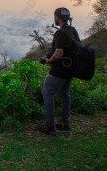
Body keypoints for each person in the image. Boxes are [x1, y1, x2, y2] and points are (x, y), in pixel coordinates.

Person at [34, 7, 80, 135]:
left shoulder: (60, 33)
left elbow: (59, 53)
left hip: (60, 69)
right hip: (71, 69)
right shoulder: (72, 31)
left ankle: (50, 126)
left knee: (47, 92)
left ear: (57, 17)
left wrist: (50, 60)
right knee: (65, 94)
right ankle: (64, 123)